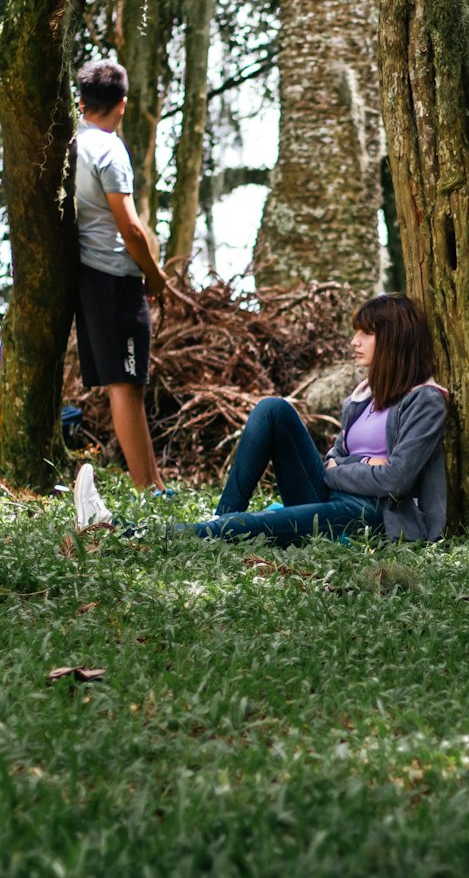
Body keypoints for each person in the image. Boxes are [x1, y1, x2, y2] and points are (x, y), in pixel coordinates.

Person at [73, 293, 448, 543]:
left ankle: (117, 532)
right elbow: (339, 457)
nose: (354, 341)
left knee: (254, 526)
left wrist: (339, 470)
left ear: (395, 341)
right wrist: (360, 466)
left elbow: (397, 479)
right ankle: (222, 517)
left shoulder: (425, 400)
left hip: (374, 516)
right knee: (273, 409)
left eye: (366, 334)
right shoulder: (365, 395)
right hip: (335, 495)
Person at [71, 58, 169, 507]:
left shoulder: (73, 142)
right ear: (123, 105)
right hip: (115, 276)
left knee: (129, 382)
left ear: (80, 102)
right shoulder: (110, 150)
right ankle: (147, 491)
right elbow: (129, 226)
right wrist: (155, 274)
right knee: (126, 384)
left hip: (91, 276)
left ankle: (156, 486)